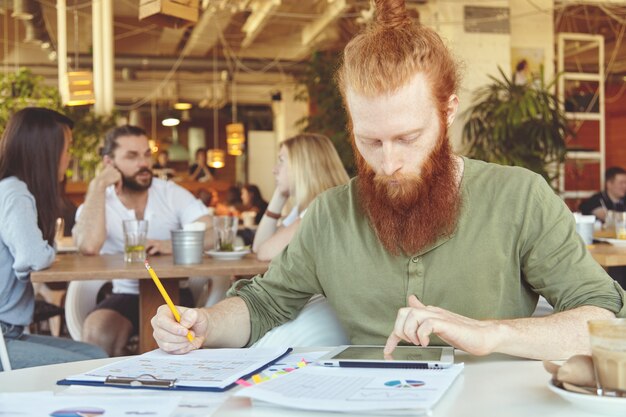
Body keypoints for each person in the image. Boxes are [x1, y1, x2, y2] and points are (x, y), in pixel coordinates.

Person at [152, 0, 625, 360]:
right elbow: (264, 304)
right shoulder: (331, 213)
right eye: (370, 142)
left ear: (449, 111)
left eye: (408, 137)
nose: (389, 163)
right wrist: (204, 324)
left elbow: (606, 320)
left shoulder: (519, 197)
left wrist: (493, 332)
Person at [73, 125, 213, 357]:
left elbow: (211, 232)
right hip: (124, 294)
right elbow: (88, 245)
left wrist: (168, 245)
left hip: (176, 294)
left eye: (147, 154)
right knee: (98, 330)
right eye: (132, 156)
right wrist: (97, 186)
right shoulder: (99, 199)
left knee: (178, 337)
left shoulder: (169, 192)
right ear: (109, 163)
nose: (144, 163)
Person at [0, 107, 107, 370]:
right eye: (67, 148)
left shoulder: (12, 188)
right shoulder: (14, 192)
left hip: (10, 332)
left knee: (96, 356)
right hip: (4, 335)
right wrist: (49, 248)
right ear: (44, 151)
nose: (69, 158)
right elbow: (33, 257)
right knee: (93, 367)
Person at [252, 134, 350, 261]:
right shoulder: (306, 207)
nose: (274, 170)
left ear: (303, 166)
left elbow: (264, 253)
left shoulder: (321, 209)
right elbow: (259, 247)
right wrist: (279, 196)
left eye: (281, 161)